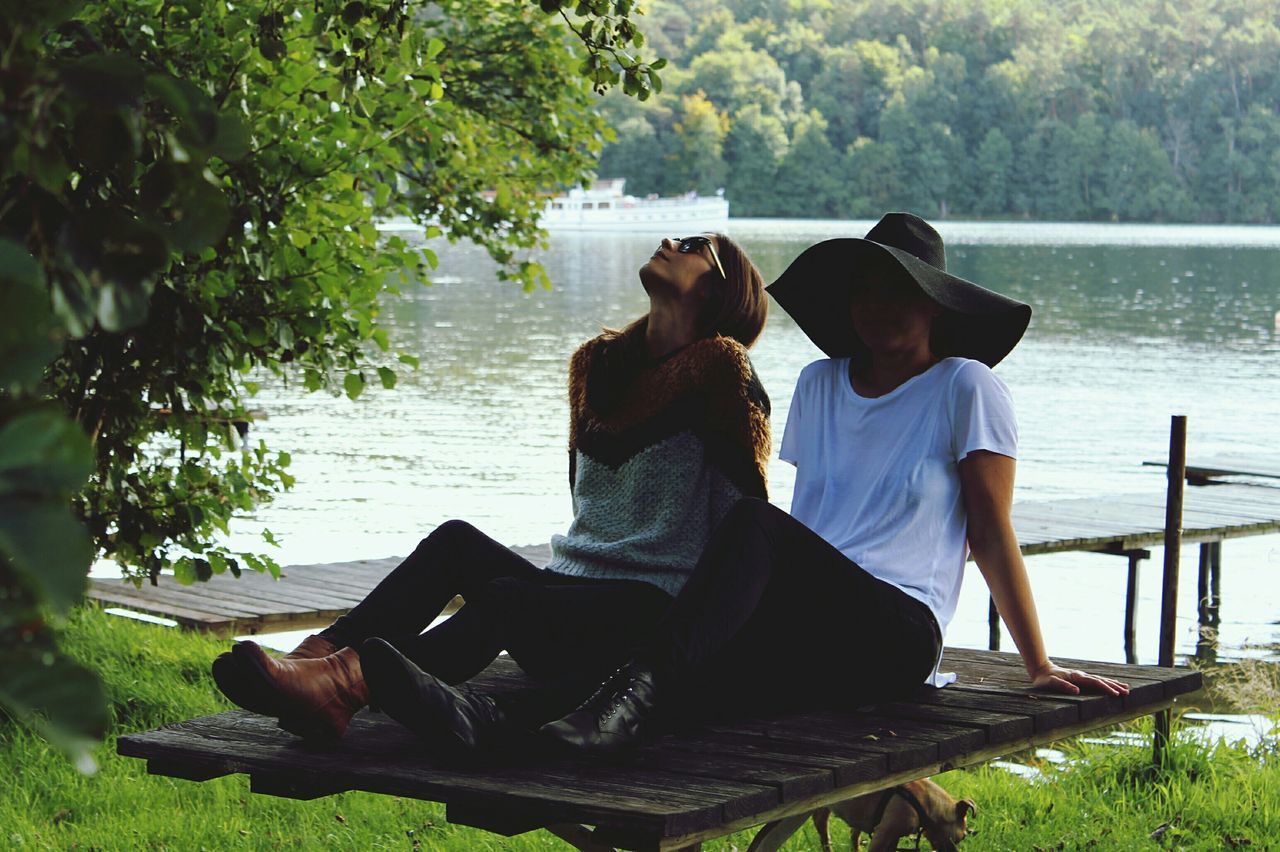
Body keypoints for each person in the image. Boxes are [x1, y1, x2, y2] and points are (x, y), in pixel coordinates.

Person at [532, 212, 1131, 754]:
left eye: (900, 290)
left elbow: (991, 531)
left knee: (753, 524)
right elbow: (814, 519)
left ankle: (623, 704)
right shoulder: (820, 383)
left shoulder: (966, 387)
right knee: (695, 670)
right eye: (864, 289)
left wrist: (1038, 664)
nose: (878, 304)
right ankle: (508, 721)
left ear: (935, 306)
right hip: (811, 614)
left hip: (898, 627)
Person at [211, 233, 772, 745]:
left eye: (697, 245)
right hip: (564, 599)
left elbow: (741, 530)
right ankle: (313, 657)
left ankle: (343, 687)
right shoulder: (600, 370)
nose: (672, 240)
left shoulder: (724, 375)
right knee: (456, 541)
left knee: (506, 596)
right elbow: (588, 506)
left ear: (721, 292)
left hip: (644, 616)